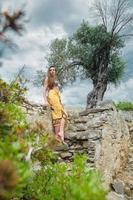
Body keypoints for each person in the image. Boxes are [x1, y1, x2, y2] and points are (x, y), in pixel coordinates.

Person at [43, 66, 68, 143]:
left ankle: (61, 132)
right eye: (51, 70)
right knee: (57, 116)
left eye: (54, 70)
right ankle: (58, 137)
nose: (52, 71)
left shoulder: (56, 79)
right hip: (52, 96)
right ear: (49, 71)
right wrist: (45, 101)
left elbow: (58, 90)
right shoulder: (47, 79)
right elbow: (44, 91)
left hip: (57, 97)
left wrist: (60, 101)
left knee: (65, 115)